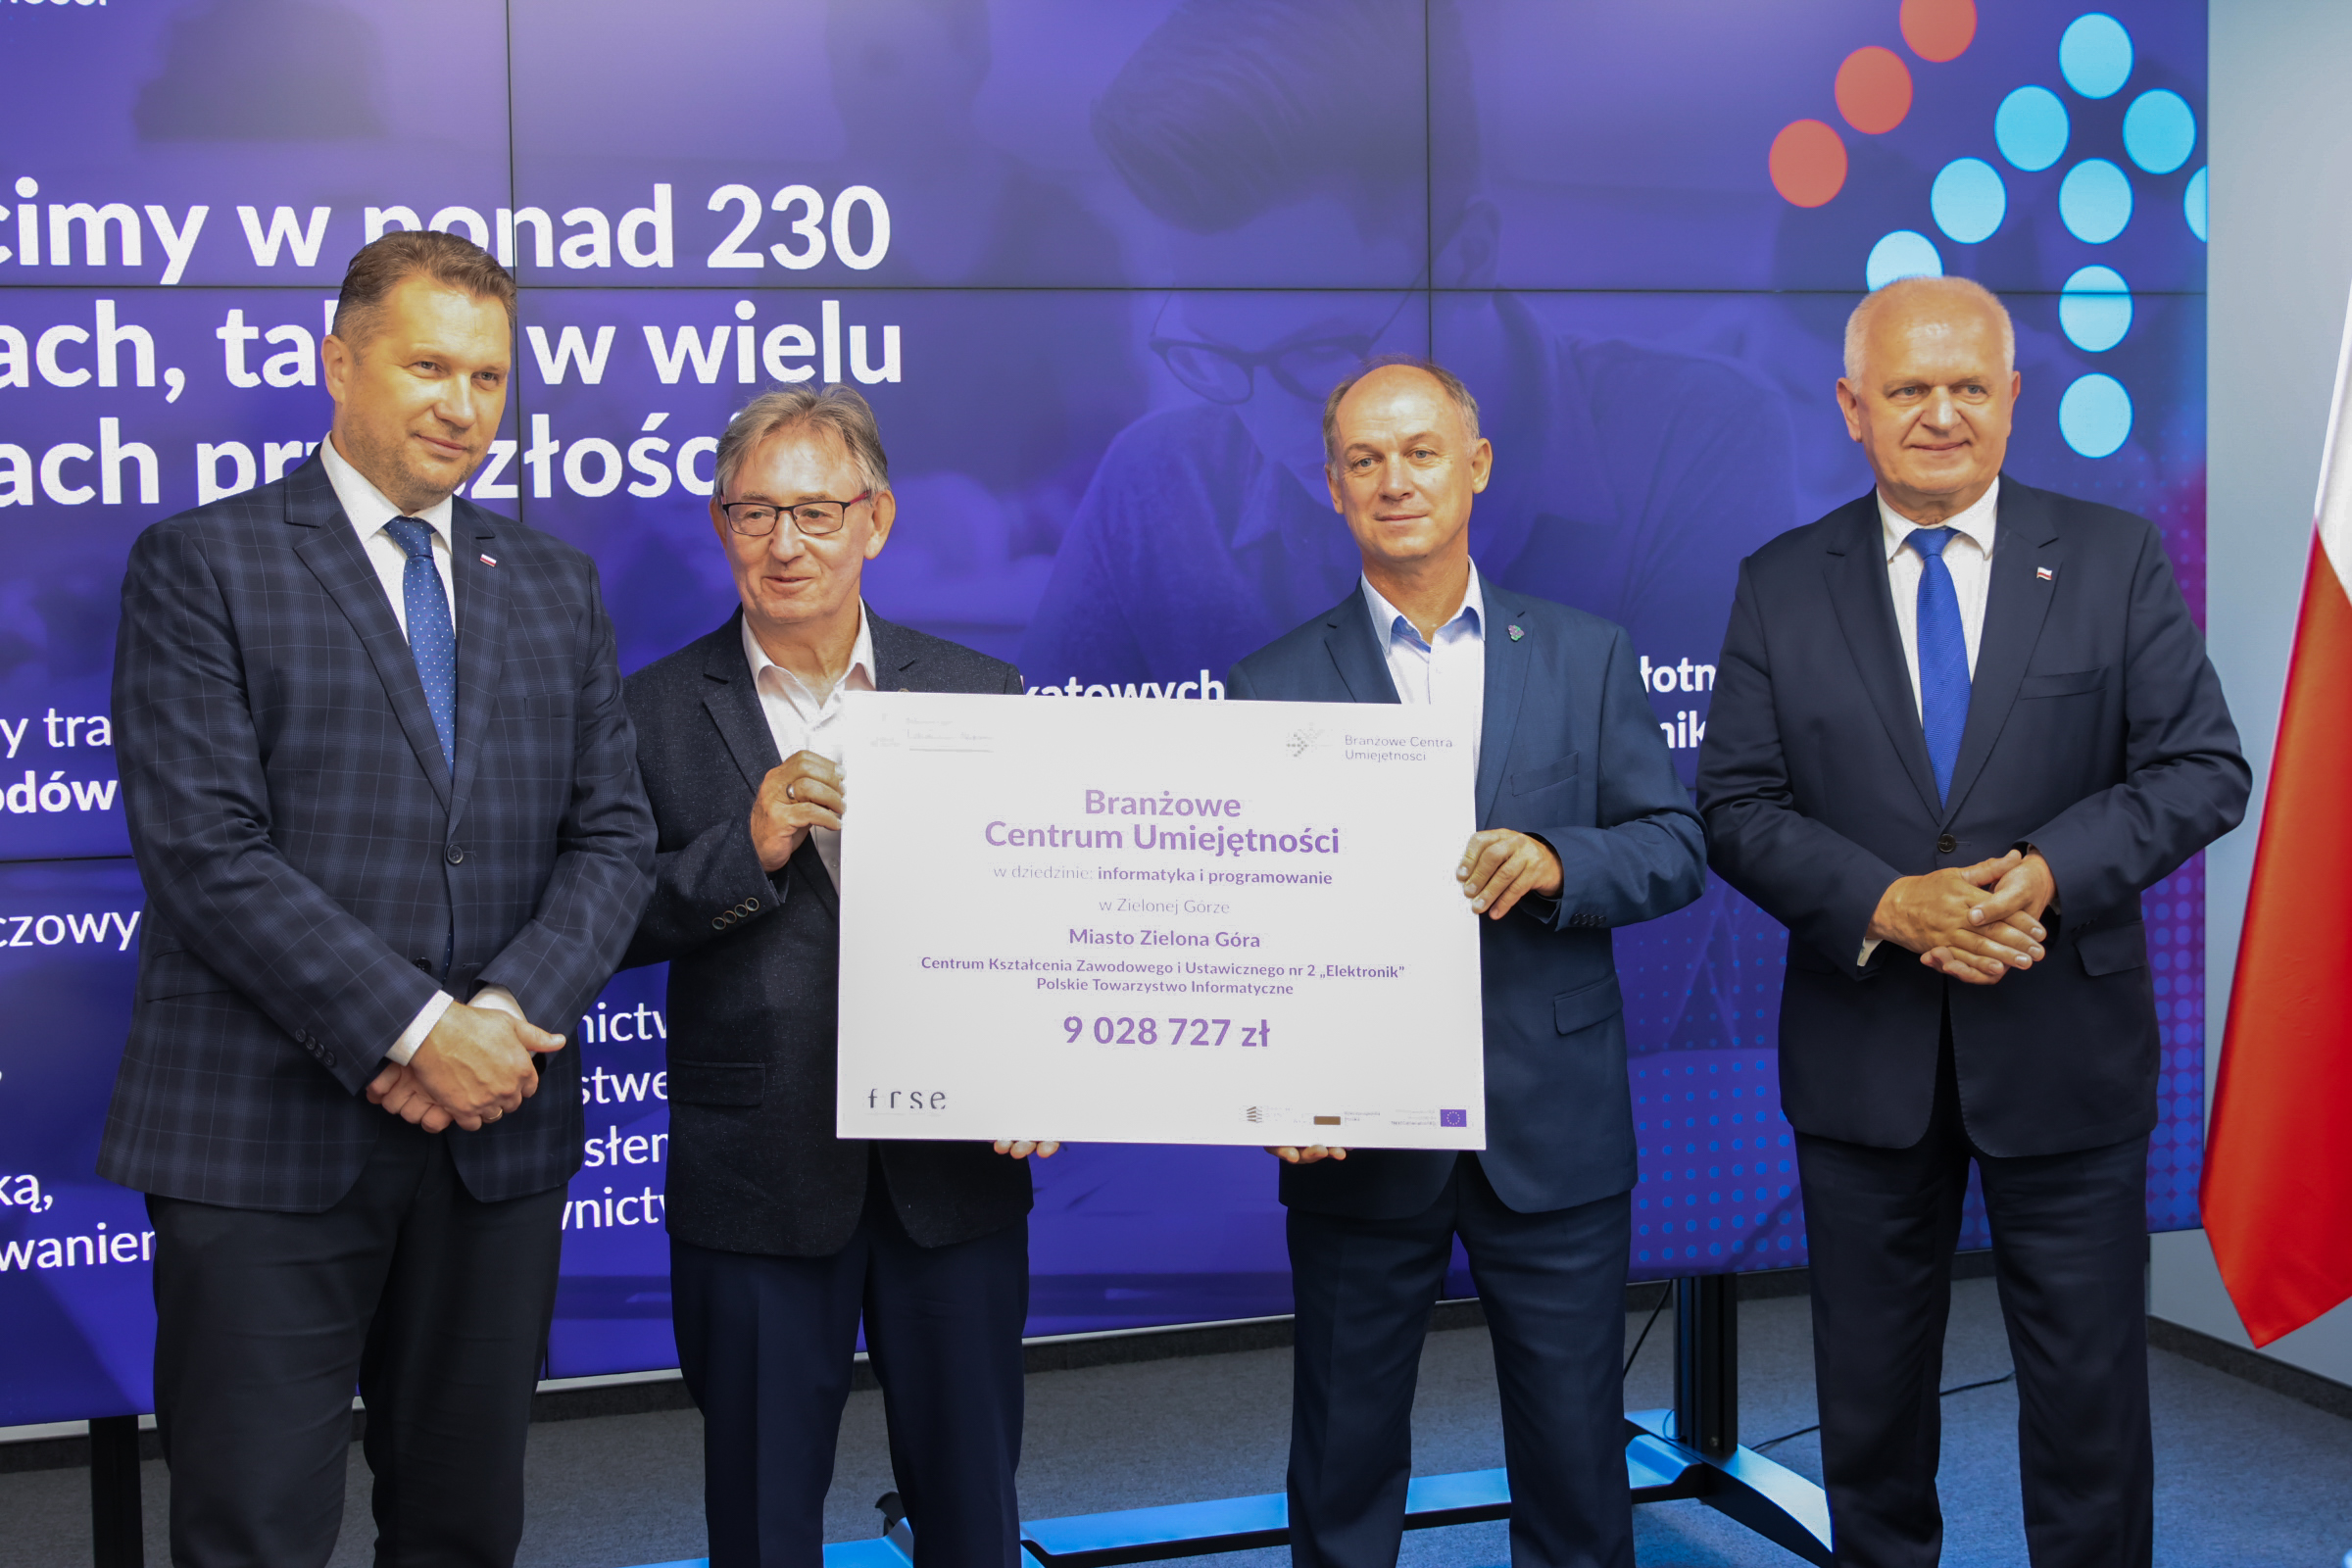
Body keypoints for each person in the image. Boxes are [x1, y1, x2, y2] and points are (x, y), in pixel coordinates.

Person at [104, 230, 655, 1567]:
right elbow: (208, 852)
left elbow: (615, 839)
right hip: (264, 1144)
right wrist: (419, 1032)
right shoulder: (202, 563)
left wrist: (500, 1019)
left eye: (488, 376)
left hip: (496, 1143)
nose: (462, 406)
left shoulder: (554, 582)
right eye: (427, 367)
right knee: (254, 1531)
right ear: (338, 363)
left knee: (463, 1528)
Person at [1696, 275, 2248, 1568]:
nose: (1940, 414)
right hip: (1863, 1060)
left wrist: (2046, 872)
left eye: (1968, 387)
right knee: (1869, 1407)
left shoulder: (2112, 557)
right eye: (1908, 389)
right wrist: (1888, 902)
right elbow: (1734, 804)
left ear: (2013, 397)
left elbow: (2201, 770)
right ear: (1852, 406)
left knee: (2089, 1401)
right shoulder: (1782, 581)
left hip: (2066, 1052)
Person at [1227, 359, 1707, 1568]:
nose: (1395, 481)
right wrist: (1274, 1081)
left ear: (1477, 466)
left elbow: (1675, 845)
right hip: (1355, 1132)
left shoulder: (1587, 654)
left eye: (1422, 452)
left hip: (1553, 1127)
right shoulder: (1271, 684)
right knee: (1342, 1459)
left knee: (1575, 1460)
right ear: (1333, 486)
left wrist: (1558, 860)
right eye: (1366, 460)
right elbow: (1245, 918)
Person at [1020, 0, 1795, 700]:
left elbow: (1693, 804)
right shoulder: (1153, 491)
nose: (1278, 426)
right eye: (1219, 354)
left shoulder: (1692, 444)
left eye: (1320, 353)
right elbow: (1041, 798)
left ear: (1466, 263)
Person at [621, 386, 1054, 1568]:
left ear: (877, 519)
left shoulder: (979, 692)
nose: (786, 543)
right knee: (763, 1523)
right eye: (755, 512)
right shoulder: (647, 712)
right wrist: (743, 851)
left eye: (815, 511)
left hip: (953, 1178)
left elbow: (1038, 913)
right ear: (720, 525)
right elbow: (601, 922)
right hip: (755, 1178)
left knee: (975, 1516)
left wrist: (1041, 1065)